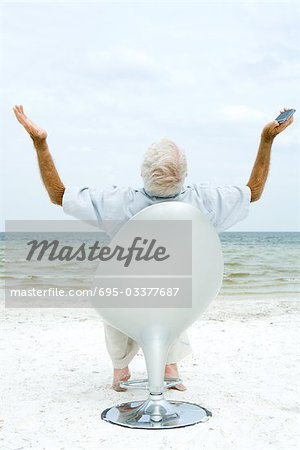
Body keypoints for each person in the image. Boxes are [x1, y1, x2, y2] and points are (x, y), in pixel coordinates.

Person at [13, 105, 294, 391]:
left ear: (143, 173)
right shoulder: (204, 202)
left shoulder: (119, 203)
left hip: (128, 298)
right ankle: (170, 366)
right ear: (184, 175)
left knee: (116, 291)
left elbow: (57, 194)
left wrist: (41, 143)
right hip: (178, 297)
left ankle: (121, 369)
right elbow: (254, 191)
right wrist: (267, 139)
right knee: (175, 291)